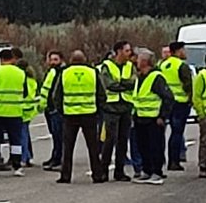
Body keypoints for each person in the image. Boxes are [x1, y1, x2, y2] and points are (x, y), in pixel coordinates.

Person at [51, 50, 108, 184]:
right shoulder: (93, 72)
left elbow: (56, 95)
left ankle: (66, 176)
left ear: (71, 59)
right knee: (93, 147)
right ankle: (97, 175)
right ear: (84, 59)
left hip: (70, 115)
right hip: (89, 114)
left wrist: (62, 111)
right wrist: (98, 111)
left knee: (68, 148)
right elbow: (102, 94)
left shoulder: (64, 73)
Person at [132, 50, 176, 185]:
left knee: (155, 146)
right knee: (142, 146)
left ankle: (157, 172)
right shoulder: (140, 77)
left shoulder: (156, 77)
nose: (136, 62)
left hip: (153, 119)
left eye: (139, 59)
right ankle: (147, 170)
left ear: (145, 62)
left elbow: (168, 98)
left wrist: (162, 116)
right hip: (140, 118)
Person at [98, 41, 137, 181]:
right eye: (127, 51)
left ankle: (119, 171)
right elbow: (109, 85)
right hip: (111, 107)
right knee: (109, 140)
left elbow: (134, 83)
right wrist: (123, 84)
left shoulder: (130, 66)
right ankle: (103, 170)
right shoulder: (106, 66)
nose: (129, 54)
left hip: (126, 106)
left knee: (122, 140)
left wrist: (121, 83)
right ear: (119, 51)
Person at [0, 49, 29, 177]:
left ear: (1, 59)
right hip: (15, 112)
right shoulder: (20, 73)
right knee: (15, 141)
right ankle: (17, 165)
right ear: (12, 58)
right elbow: (25, 92)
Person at [160, 42, 195, 171]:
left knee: (162, 133)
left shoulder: (162, 65)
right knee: (177, 133)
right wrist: (191, 99)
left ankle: (162, 159)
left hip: (166, 102)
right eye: (183, 50)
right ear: (178, 51)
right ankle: (174, 160)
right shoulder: (182, 66)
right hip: (180, 102)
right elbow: (188, 85)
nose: (185, 52)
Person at [40, 51, 66, 171]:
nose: (53, 62)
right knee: (55, 135)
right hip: (50, 108)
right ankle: (55, 157)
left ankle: (58, 159)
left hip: (58, 109)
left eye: (56, 60)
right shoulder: (52, 72)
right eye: (51, 60)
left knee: (59, 136)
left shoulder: (61, 72)